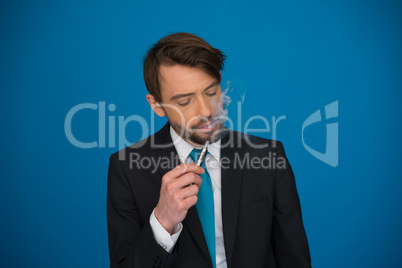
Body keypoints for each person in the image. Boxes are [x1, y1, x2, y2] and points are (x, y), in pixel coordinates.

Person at [107, 32, 311, 268]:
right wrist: (162, 222)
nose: (206, 110)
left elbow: (295, 259)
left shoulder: (269, 156)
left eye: (211, 91)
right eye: (184, 101)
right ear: (156, 105)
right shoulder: (126, 169)